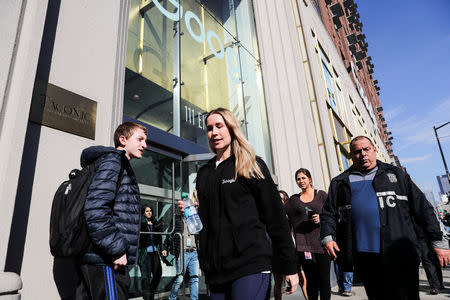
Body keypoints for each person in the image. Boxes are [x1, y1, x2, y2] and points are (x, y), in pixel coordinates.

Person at [179, 108, 299, 299]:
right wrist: (192, 211)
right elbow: (208, 222)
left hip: (250, 265)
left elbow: (276, 218)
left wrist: (290, 265)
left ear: (232, 128)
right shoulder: (204, 174)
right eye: (209, 128)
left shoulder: (251, 164)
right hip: (216, 271)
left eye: (220, 126)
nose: (214, 133)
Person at [320, 135, 450, 300]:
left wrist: (439, 242)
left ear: (374, 150)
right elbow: (328, 214)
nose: (363, 154)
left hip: (400, 253)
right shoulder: (339, 183)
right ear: (351, 156)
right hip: (365, 257)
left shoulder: (397, 175)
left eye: (366, 149)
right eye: (357, 152)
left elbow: (422, 208)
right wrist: (327, 237)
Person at [76, 122, 148, 299]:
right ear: (123, 140)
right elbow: (95, 208)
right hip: (105, 260)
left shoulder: (116, 164)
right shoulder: (113, 161)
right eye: (140, 139)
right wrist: (116, 249)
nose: (145, 145)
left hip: (99, 258)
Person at [284, 168, 330, 300]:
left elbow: (332, 213)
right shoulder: (293, 200)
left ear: (309, 179)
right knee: (311, 280)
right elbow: (281, 214)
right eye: (298, 179)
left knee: (324, 280)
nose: (301, 181)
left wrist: (322, 218)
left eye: (303, 178)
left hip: (322, 244)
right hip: (304, 246)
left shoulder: (321, 195)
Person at [271, 191, 308, 300]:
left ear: (285, 201)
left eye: (281, 199)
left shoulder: (290, 215)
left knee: (303, 280)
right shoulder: (271, 217)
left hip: (293, 251)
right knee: (278, 283)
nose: (279, 201)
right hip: (277, 253)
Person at [162, 212, 200, 300]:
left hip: (194, 252)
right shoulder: (177, 219)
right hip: (183, 253)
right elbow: (170, 234)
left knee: (195, 278)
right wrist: (165, 248)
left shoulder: (194, 219)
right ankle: (172, 298)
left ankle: (194, 298)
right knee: (179, 279)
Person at [138, 205, 163, 300]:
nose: (149, 212)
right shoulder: (141, 223)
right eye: (147, 211)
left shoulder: (155, 222)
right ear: (143, 213)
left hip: (154, 252)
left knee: (158, 273)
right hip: (145, 254)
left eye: (150, 211)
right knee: (146, 277)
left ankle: (151, 293)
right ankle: (147, 298)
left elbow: (159, 238)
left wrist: (162, 249)